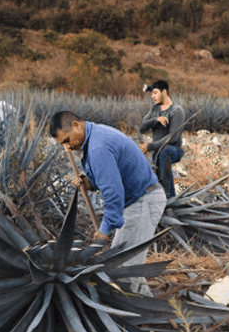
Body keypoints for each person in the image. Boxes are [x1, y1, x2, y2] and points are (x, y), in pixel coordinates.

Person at [49, 111, 166, 295]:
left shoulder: (97, 147)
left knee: (124, 269)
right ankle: (147, 308)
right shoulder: (95, 137)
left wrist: (104, 230)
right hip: (139, 201)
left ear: (76, 125)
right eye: (63, 144)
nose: (67, 147)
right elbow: (113, 174)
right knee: (125, 265)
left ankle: (139, 315)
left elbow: (114, 193)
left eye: (67, 140)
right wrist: (89, 183)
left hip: (143, 201)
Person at [139, 80, 185, 198]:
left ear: (164, 92)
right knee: (156, 174)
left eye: (155, 93)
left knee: (165, 152)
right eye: (152, 94)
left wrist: (149, 146)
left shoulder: (176, 110)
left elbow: (172, 138)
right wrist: (157, 120)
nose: (153, 97)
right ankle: (160, 200)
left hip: (174, 150)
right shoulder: (155, 109)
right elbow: (142, 126)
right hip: (157, 151)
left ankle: (169, 197)